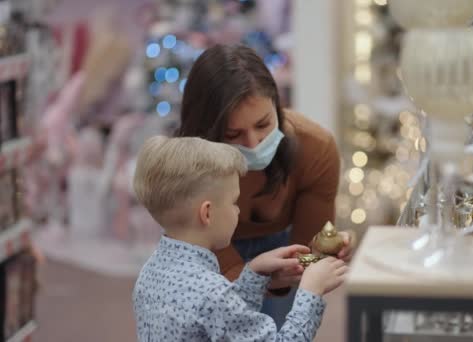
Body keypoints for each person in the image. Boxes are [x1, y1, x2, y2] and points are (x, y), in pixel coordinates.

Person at [177, 44, 356, 326]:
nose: (252, 143)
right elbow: (209, 257)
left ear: (277, 105)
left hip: (281, 247)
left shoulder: (315, 148)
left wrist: (321, 255)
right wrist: (257, 280)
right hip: (204, 253)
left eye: (263, 124)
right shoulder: (185, 164)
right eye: (233, 133)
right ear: (206, 130)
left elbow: (308, 254)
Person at [131, 136, 348, 341]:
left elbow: (223, 325)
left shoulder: (150, 273)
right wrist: (311, 290)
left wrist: (253, 273)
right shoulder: (212, 294)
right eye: (234, 202)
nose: (237, 211)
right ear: (207, 213)